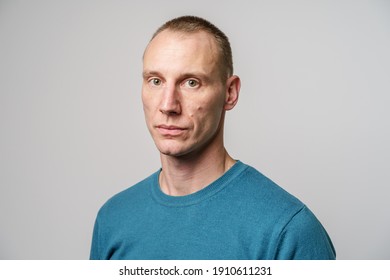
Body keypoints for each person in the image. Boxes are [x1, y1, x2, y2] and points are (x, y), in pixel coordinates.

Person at [90, 15, 336, 260]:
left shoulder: (287, 231)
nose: (168, 105)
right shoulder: (113, 219)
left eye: (191, 83)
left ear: (230, 93)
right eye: (155, 81)